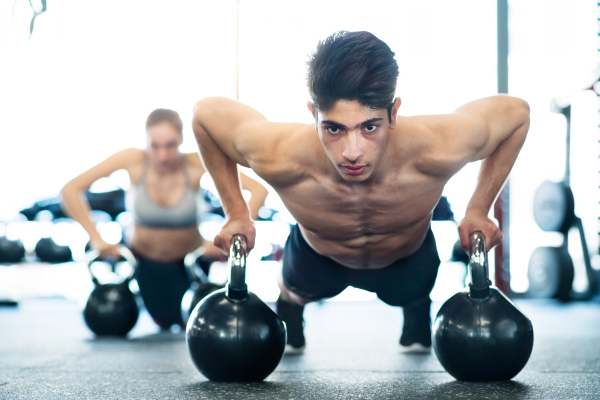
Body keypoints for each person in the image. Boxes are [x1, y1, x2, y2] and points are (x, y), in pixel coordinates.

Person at [192, 31, 530, 353]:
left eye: (369, 127)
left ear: (393, 113)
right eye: (334, 128)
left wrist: (478, 209)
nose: (352, 152)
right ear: (314, 114)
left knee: (415, 295)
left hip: (406, 261)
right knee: (293, 293)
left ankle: (416, 308)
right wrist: (236, 211)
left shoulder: (437, 147)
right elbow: (204, 115)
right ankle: (291, 307)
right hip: (317, 259)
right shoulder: (280, 154)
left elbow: (517, 115)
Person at [61, 108, 268, 330]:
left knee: (192, 328)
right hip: (144, 265)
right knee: (163, 325)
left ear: (180, 140)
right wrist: (96, 238)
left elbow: (258, 190)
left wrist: (228, 231)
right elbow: (70, 189)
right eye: (155, 146)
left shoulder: (197, 162)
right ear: (146, 141)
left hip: (190, 268)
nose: (163, 155)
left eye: (170, 145)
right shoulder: (132, 159)